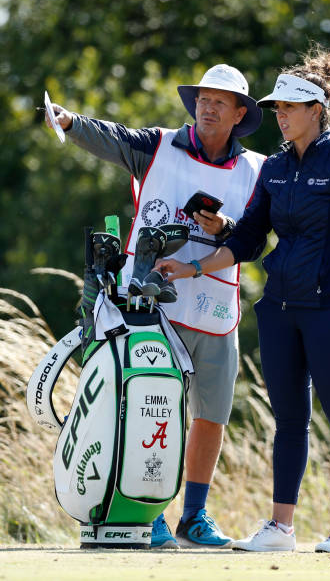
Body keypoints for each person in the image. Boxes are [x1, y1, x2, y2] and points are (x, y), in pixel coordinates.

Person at [154, 46, 330, 554]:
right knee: (289, 420)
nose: (278, 116)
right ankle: (281, 527)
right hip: (281, 308)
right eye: (276, 108)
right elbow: (249, 239)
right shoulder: (276, 168)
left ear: (316, 112)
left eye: (288, 108)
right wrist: (191, 266)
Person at [45, 64, 265, 548]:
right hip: (149, 308)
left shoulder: (259, 170)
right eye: (203, 98)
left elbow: (259, 239)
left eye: (219, 102)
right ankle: (149, 512)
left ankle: (195, 517)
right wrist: (68, 123)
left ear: (239, 114)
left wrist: (224, 230)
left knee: (212, 416)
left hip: (213, 308)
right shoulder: (159, 143)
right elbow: (110, 136)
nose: (207, 107)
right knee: (150, 406)